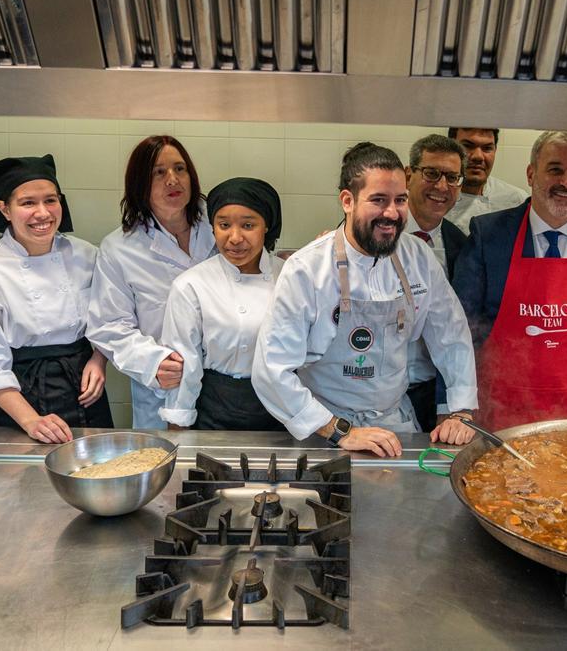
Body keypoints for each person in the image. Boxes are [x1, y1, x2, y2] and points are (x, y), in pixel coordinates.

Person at [252, 142, 478, 456]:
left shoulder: (418, 258)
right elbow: (271, 371)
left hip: (394, 426)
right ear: (348, 201)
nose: (392, 213)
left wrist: (460, 410)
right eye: (378, 200)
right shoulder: (306, 270)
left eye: (399, 200)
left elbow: (451, 336)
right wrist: (339, 431)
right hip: (324, 429)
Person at [453, 131, 567, 431]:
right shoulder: (489, 236)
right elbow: (459, 333)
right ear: (531, 173)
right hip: (498, 416)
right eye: (556, 170)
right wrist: (457, 412)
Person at [0, 155, 111, 443]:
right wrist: (31, 421)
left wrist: (99, 358)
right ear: (5, 209)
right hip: (20, 399)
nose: (43, 213)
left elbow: (111, 317)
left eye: (50, 200)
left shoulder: (86, 255)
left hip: (84, 389)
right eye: (28, 203)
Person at [87, 136, 216, 429]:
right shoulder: (120, 248)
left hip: (225, 387)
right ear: (139, 185)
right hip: (165, 391)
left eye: (180, 169)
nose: (173, 180)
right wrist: (153, 362)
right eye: (159, 172)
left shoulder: (219, 228)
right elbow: (109, 326)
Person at [159, 178, 287, 431]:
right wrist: (177, 428)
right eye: (224, 225)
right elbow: (186, 364)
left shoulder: (289, 278)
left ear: (267, 227)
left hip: (280, 407)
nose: (235, 237)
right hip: (215, 408)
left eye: (248, 225)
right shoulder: (192, 285)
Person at [403, 134, 470, 431]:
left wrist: (452, 406)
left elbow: (458, 330)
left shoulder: (461, 245)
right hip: (369, 392)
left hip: (431, 392)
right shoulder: (375, 232)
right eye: (432, 173)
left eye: (452, 177)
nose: (442, 187)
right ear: (408, 175)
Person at [442, 127, 528, 232]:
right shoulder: (435, 197)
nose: (478, 156)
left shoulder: (517, 200)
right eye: (467, 146)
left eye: (487, 148)